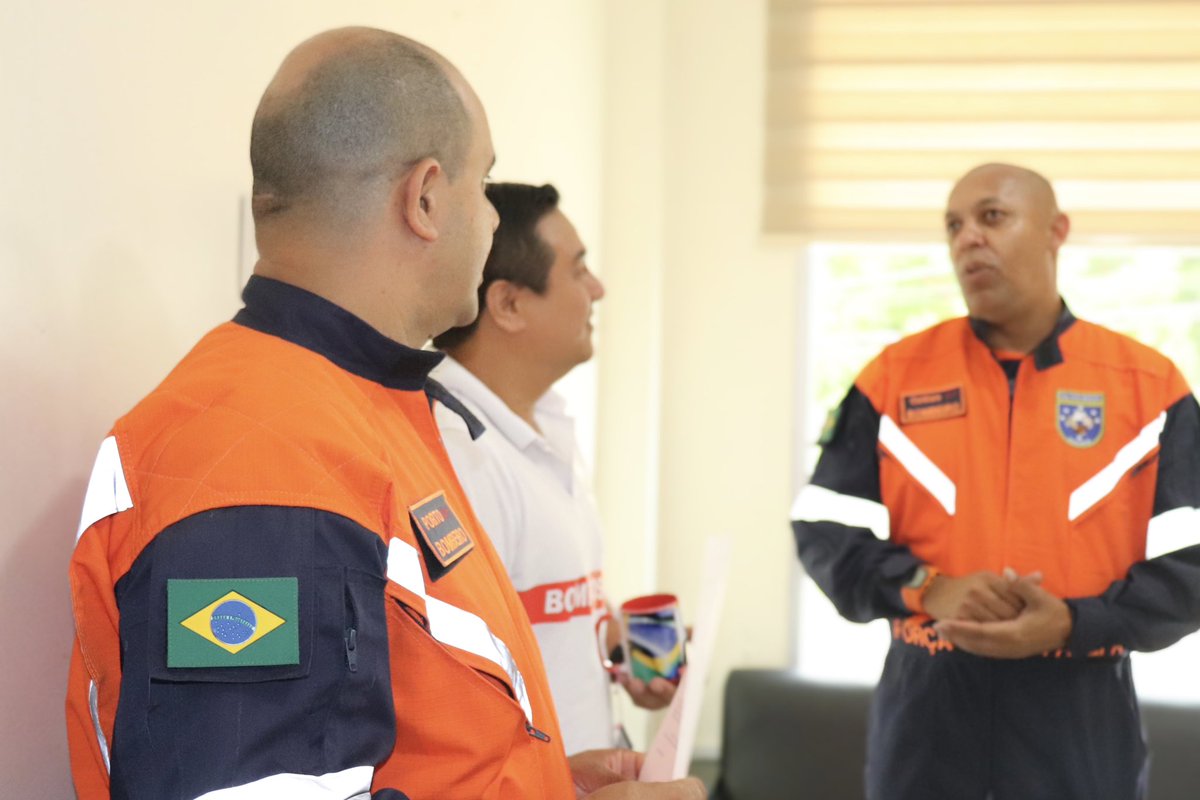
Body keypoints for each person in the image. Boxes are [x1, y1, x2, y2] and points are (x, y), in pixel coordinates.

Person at [64, 27, 704, 800]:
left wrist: (547, 785)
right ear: (427, 198)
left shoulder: (367, 407)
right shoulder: (257, 457)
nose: (493, 220)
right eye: (483, 184)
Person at [791, 163, 1200, 800]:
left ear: (1054, 231)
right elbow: (824, 526)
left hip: (1080, 713)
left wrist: (1073, 622)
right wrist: (929, 588)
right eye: (953, 226)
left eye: (991, 216)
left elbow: (1193, 562)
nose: (967, 239)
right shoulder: (892, 379)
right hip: (927, 708)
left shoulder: (1148, 388)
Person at [429, 182, 677, 756]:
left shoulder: (548, 424)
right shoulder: (455, 451)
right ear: (509, 304)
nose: (598, 289)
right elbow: (459, 688)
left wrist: (616, 648)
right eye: (579, 269)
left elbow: (539, 612)